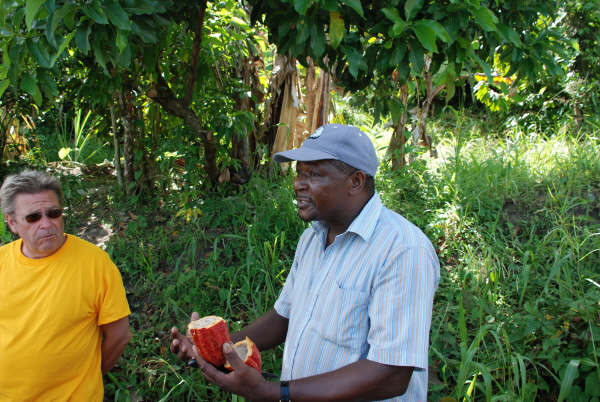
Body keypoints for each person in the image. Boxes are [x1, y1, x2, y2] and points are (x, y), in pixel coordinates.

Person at [171, 124, 440, 401]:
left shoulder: (403, 250)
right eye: (299, 172)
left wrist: (272, 392)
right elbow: (283, 317)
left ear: (356, 182)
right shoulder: (312, 238)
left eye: (314, 174)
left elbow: (392, 373)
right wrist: (216, 349)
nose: (298, 183)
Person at [0, 170, 131, 401]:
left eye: (53, 213)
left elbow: (119, 336)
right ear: (12, 222)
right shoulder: (2, 262)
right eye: (33, 217)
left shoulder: (95, 263)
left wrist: (89, 377)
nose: (46, 224)